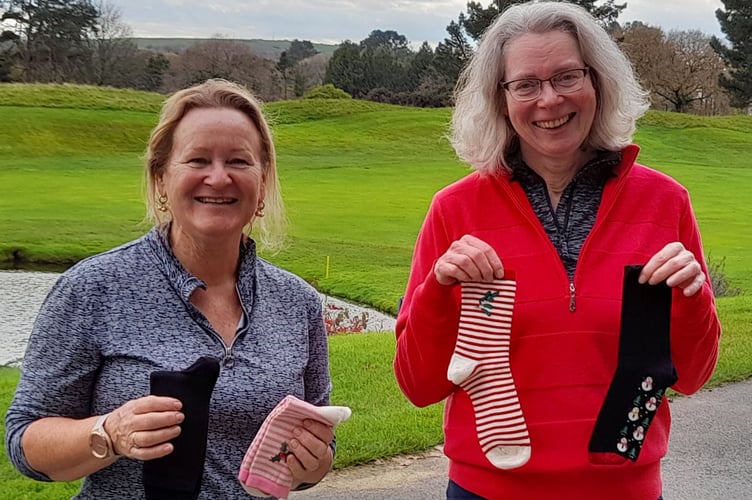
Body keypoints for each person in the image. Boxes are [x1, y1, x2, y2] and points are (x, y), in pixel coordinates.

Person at [394, 2, 721, 500]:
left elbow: (693, 375)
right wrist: (438, 289)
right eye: (525, 84)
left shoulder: (665, 202)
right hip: (488, 490)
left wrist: (694, 296)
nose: (549, 100)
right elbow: (418, 385)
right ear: (501, 99)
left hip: (624, 489)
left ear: (598, 82)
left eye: (568, 76)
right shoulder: (454, 210)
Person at [5, 79, 337, 499]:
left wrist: (314, 461)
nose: (219, 178)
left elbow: (316, 453)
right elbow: (25, 440)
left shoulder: (297, 302)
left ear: (263, 181)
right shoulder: (94, 287)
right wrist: (110, 432)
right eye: (198, 160)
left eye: (238, 161)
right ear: (161, 178)